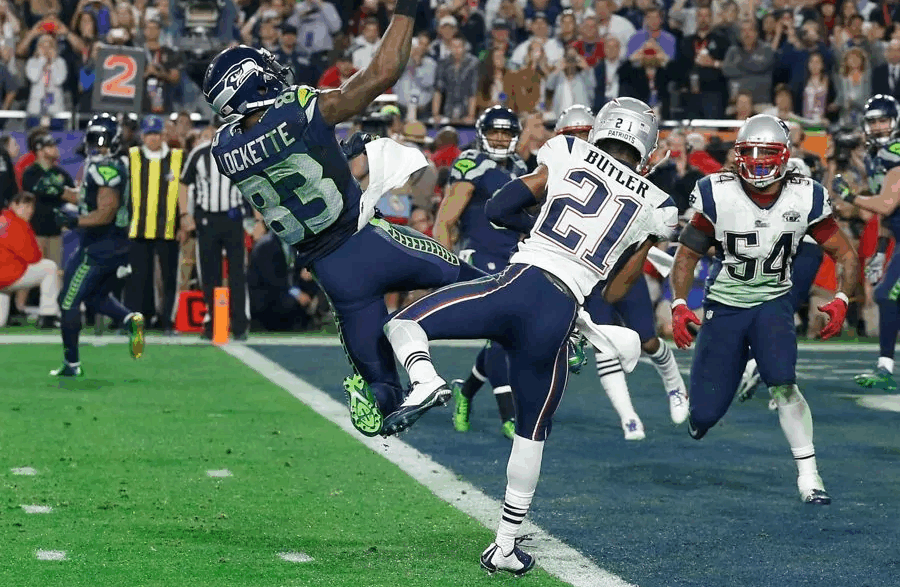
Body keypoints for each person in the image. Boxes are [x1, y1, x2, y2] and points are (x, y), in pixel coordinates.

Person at [380, 98, 677, 573]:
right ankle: (504, 545)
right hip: (561, 313)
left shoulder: (569, 150)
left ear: (602, 128)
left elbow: (499, 208)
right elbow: (618, 288)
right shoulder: (658, 205)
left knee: (403, 322)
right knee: (532, 433)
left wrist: (543, 227)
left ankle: (424, 379)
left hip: (520, 283)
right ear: (645, 145)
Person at [202, 1, 486, 439]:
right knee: (478, 284)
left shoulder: (224, 149)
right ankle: (553, 327)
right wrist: (407, 9)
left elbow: (287, 163)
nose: (273, 71)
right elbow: (381, 74)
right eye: (264, 68)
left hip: (330, 273)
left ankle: (384, 396)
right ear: (249, 82)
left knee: (384, 390)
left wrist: (337, 153)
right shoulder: (296, 109)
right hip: (367, 243)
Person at [670, 114, 858, 504]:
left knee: (784, 382)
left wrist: (842, 299)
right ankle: (712, 400)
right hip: (725, 307)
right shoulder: (717, 192)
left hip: (773, 302)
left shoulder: (805, 195)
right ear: (737, 155)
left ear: (784, 155)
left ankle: (810, 476)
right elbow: (687, 254)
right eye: (749, 153)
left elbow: (844, 253)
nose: (756, 162)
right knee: (703, 416)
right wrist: (679, 303)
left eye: (766, 153)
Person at [551, 106, 688, 440]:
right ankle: (629, 418)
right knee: (604, 343)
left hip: (624, 265)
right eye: (573, 135)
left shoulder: (629, 172)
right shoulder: (562, 168)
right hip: (588, 272)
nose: (580, 141)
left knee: (648, 340)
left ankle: (674, 383)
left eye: (584, 134)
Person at [435, 106, 528, 440]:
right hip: (479, 255)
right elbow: (445, 220)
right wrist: (443, 267)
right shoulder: (471, 162)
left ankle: (466, 392)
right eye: (494, 131)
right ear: (481, 133)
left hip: (511, 257)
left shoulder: (519, 167)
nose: (500, 138)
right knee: (501, 333)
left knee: (504, 336)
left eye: (506, 132)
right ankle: (509, 415)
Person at [50, 114, 145, 376]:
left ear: (113, 141)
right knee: (95, 297)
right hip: (111, 245)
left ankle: (72, 364)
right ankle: (129, 319)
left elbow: (106, 212)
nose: (97, 145)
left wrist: (75, 221)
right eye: (93, 138)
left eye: (102, 139)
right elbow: (87, 198)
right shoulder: (106, 164)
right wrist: (59, 191)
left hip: (99, 248)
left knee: (67, 302)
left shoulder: (107, 168)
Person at [833, 95, 900, 390]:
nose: (879, 127)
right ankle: (884, 367)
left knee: (886, 294)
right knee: (886, 295)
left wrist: (850, 196)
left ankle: (885, 368)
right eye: (873, 122)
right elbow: (888, 215)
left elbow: (886, 204)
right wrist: (881, 251)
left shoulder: (895, 153)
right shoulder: (876, 157)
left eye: (884, 120)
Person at [0, 191, 59, 327]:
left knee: (0, 322)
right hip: (8, 276)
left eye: (31, 207)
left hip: (3, 280)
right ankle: (48, 316)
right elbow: (33, 257)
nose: (30, 210)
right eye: (25, 206)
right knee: (49, 267)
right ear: (13, 205)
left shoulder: (2, 219)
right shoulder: (18, 223)